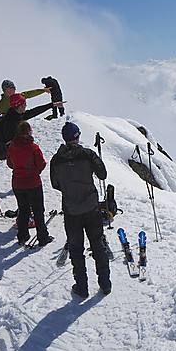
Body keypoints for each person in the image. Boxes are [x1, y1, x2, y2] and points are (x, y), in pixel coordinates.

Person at [50, 121, 111, 298]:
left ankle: (82, 288)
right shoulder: (87, 154)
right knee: (97, 244)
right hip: (91, 207)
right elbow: (103, 175)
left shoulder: (56, 160)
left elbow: (55, 184)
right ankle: (105, 284)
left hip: (71, 209)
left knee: (76, 249)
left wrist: (69, 188)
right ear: (77, 136)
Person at [7, 121, 53, 246]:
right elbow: (41, 164)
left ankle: (22, 235)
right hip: (32, 183)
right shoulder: (33, 148)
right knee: (38, 210)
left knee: (23, 209)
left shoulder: (12, 146)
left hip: (17, 183)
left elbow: (10, 164)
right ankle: (42, 237)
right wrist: (35, 170)